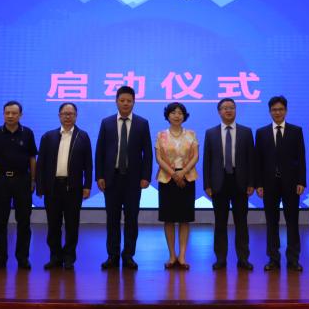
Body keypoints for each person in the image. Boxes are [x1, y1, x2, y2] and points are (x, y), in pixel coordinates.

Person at [95, 86, 153, 270]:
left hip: (133, 180)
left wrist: (146, 177)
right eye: (122, 100)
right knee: (112, 219)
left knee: (131, 219)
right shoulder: (107, 123)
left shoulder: (142, 123)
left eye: (129, 101)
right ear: (116, 101)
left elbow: (147, 153)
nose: (125, 103)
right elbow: (100, 151)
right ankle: (112, 255)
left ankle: (128, 255)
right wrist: (99, 176)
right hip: (111, 179)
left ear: (134, 102)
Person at [36, 102, 92, 270]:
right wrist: (40, 186)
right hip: (52, 188)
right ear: (59, 116)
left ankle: (69, 258)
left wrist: (87, 185)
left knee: (72, 225)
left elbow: (88, 164)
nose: (68, 117)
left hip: (73, 188)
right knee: (53, 225)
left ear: (76, 116)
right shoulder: (48, 136)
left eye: (71, 114)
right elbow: (41, 164)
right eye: (64, 114)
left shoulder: (83, 136)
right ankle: (55, 256)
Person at [203, 97, 255, 271]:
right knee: (220, 223)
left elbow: (251, 159)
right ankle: (220, 259)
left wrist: (251, 182)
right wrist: (207, 184)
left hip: (240, 182)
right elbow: (207, 161)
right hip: (219, 183)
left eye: (231, 107)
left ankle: (243, 258)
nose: (228, 110)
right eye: (225, 108)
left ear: (235, 110)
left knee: (242, 223)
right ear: (219, 112)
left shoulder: (246, 132)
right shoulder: (211, 133)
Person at [0, 100, 38, 270]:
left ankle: (23, 258)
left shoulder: (27, 133)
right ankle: (0, 257)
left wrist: (33, 180)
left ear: (20, 115)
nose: (10, 116)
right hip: (1, 180)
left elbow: (32, 158)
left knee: (24, 221)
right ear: (3, 114)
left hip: (22, 180)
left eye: (14, 113)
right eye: (7, 113)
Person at [255, 95, 306, 271]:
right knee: (271, 222)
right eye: (274, 110)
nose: (277, 112)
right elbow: (258, 161)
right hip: (269, 184)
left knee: (292, 222)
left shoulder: (296, 131)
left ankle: (293, 259)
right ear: (270, 112)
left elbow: (301, 158)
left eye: (280, 109)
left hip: (291, 184)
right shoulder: (261, 132)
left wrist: (301, 181)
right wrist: (259, 184)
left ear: (286, 111)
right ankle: (273, 258)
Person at [155, 102, 198, 270]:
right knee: (169, 219)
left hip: (187, 179)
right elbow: (159, 158)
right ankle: (172, 255)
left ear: (184, 116)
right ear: (168, 115)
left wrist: (183, 172)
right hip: (167, 179)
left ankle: (182, 256)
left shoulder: (191, 134)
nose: (177, 115)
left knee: (185, 219)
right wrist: (174, 174)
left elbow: (195, 156)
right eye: (173, 112)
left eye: (180, 112)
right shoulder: (161, 135)